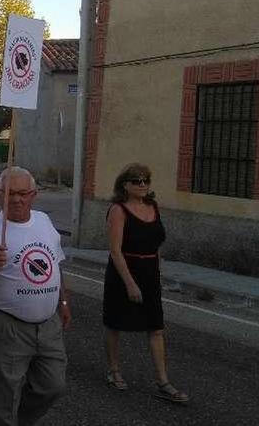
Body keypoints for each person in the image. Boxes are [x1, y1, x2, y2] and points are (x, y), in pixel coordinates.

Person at [0, 167, 71, 426]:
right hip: (8, 324)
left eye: (23, 193)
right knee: (6, 394)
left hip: (48, 325)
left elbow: (55, 266)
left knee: (53, 386)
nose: (16, 199)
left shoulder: (44, 221)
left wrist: (63, 302)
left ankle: (20, 421)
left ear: (34, 194)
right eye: (9, 193)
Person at [103, 163, 189, 403]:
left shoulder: (153, 207)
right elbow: (115, 251)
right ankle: (114, 371)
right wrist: (130, 283)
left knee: (156, 327)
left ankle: (163, 381)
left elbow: (156, 244)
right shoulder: (118, 210)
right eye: (136, 181)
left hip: (149, 272)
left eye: (145, 180)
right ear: (125, 185)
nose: (142, 185)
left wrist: (156, 272)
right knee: (115, 323)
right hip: (124, 272)